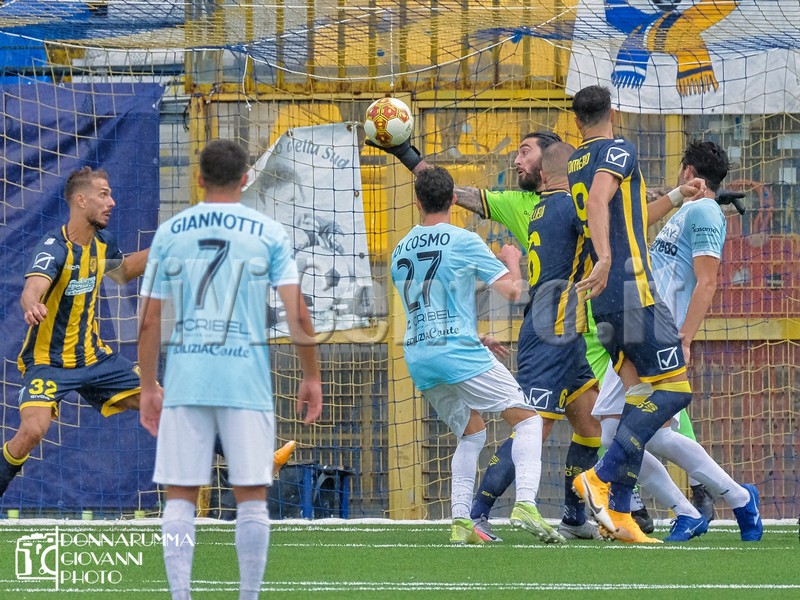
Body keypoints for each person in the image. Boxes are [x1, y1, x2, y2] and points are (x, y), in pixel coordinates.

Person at [375, 129, 703, 540]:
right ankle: (486, 511)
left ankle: (573, 516)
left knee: (590, 425)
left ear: (546, 167)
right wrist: (674, 196)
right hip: (552, 327)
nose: (516, 160)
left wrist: (676, 194)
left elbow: (441, 191)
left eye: (524, 152)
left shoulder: (551, 203)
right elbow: (452, 194)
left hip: (572, 330)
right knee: (533, 424)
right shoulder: (551, 204)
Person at [138, 139, 323, 600]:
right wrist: (311, 376)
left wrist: (148, 386)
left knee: (180, 496)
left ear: (199, 178)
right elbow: (298, 313)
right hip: (245, 380)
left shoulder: (172, 232)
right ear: (245, 179)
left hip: (187, 379)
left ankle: (181, 595)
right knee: (252, 497)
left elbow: (149, 320)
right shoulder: (267, 231)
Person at [593, 140, 762, 542]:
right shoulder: (687, 208)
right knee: (624, 433)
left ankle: (720, 502)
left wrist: (684, 338)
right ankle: (723, 502)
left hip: (660, 332)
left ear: (688, 171)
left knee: (642, 432)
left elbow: (707, 281)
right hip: (640, 327)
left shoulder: (704, 211)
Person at [391, 165, 564, 545]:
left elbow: (433, 304)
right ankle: (526, 503)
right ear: (454, 200)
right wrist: (511, 258)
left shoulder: (400, 248)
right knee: (529, 421)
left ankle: (460, 523)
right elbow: (513, 291)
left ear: (417, 202)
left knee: (471, 433)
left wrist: (477, 335)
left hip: (420, 355)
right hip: (457, 353)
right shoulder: (465, 240)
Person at [0, 166, 150, 498]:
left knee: (161, 402)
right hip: (48, 363)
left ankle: (247, 464)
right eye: (104, 194)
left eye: (111, 194)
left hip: (94, 359)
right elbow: (32, 288)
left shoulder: (103, 243)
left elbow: (123, 272)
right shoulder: (53, 247)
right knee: (32, 431)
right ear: (81, 200)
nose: (112, 202)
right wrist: (32, 305)